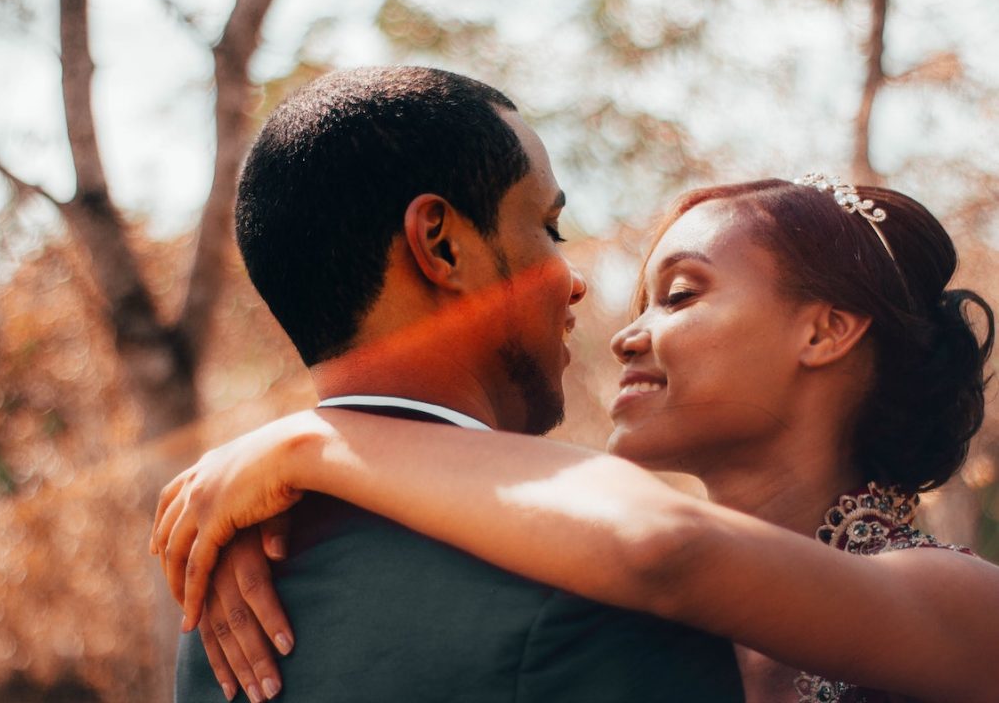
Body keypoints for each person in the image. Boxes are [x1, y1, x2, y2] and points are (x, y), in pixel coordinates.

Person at [153, 175, 999, 702]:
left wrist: (316, 444)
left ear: (825, 332)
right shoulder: (585, 578)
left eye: (680, 295)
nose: (627, 336)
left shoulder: (966, 604)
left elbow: (667, 551)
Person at [162, 66, 746, 703]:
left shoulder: (220, 607)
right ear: (440, 246)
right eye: (549, 229)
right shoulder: (603, 572)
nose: (574, 281)